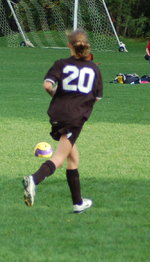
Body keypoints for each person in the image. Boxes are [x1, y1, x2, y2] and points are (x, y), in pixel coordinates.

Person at [22, 30, 103, 214]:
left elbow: (47, 85)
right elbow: (97, 98)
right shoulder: (94, 69)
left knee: (73, 158)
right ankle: (33, 180)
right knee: (59, 158)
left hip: (57, 114)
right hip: (75, 118)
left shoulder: (61, 64)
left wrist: (56, 95)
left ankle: (78, 202)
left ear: (69, 45)